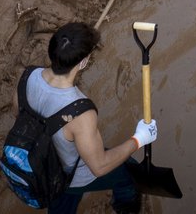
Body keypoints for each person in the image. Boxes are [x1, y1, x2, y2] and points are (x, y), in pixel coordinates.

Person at [22, 22, 157, 214]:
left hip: (44, 167)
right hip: (72, 175)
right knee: (130, 174)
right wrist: (139, 139)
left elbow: (24, 121)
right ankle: (127, 210)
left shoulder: (26, 77)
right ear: (84, 62)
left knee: (61, 201)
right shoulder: (81, 112)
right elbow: (99, 167)